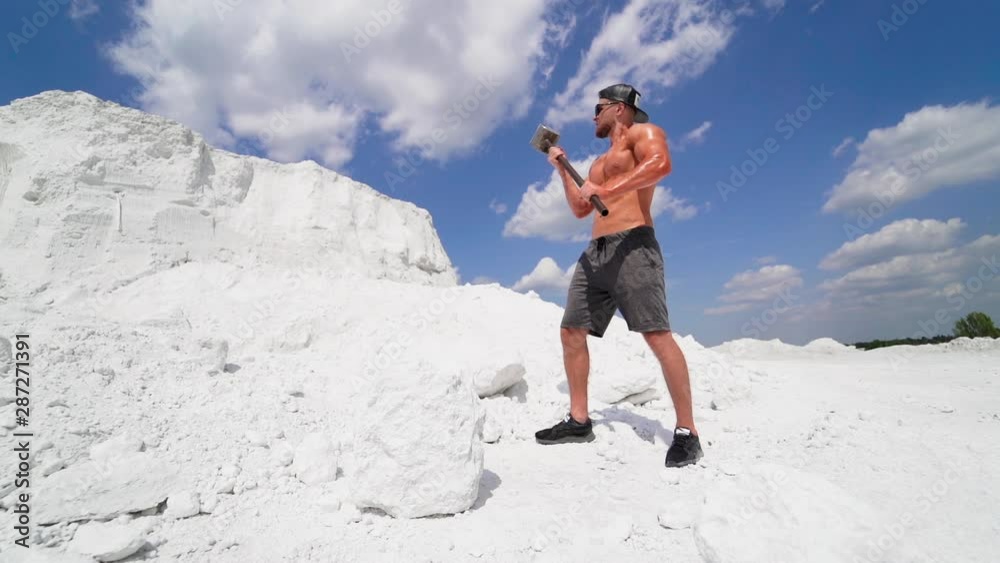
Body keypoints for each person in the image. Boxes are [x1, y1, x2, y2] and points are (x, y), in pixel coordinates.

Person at [534, 83, 703, 468]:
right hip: (596, 252)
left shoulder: (645, 134)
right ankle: (579, 420)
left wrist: (606, 189)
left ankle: (687, 432)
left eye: (599, 108)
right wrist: (563, 170)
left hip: (634, 244)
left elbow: (661, 165)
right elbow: (582, 209)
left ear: (619, 108)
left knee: (656, 334)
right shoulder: (597, 164)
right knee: (571, 330)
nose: (593, 116)